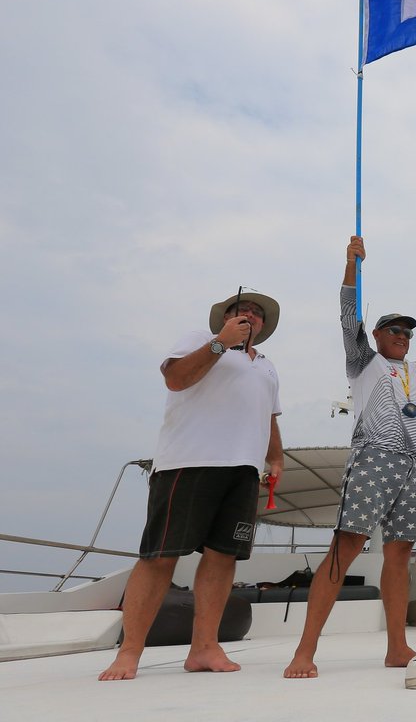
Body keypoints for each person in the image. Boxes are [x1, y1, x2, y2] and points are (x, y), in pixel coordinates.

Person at [283, 235, 416, 679]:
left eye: (407, 332)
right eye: (394, 330)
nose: (402, 336)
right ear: (377, 335)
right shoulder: (363, 360)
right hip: (373, 458)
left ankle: (397, 648)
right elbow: (346, 319)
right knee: (345, 549)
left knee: (400, 554)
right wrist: (351, 265)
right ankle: (304, 652)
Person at [99, 291, 284, 681]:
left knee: (222, 557)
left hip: (244, 472)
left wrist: (276, 458)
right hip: (189, 462)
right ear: (224, 318)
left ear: (264, 326)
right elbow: (176, 378)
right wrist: (220, 343)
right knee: (160, 556)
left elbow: (269, 417)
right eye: (240, 310)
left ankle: (204, 648)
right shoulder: (200, 339)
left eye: (256, 313)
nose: (249, 314)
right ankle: (129, 651)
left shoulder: (267, 367)